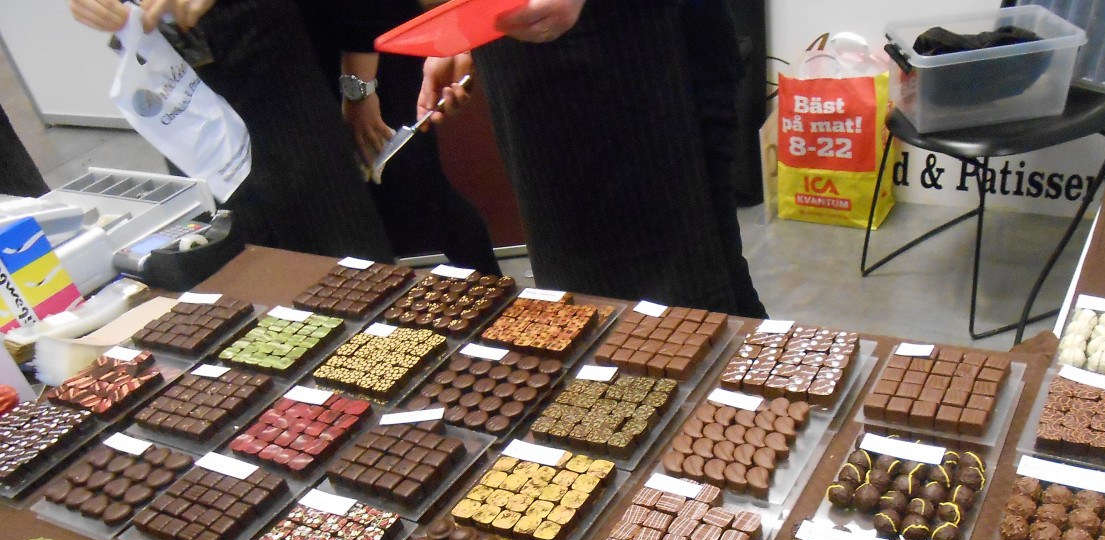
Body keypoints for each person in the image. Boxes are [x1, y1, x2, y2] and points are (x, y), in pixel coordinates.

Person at [418, 0, 767, 318]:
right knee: (583, 305)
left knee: (680, 297)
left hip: (626, 46)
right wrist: (469, 23)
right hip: (533, 63)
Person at [67, 0, 396, 263]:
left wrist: (360, 87)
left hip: (272, 72)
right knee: (235, 265)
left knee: (344, 256)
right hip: (177, 85)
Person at [300, 1, 501, 273]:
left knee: (415, 194)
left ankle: (492, 290)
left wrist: (359, 89)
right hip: (333, 48)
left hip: (368, 50)